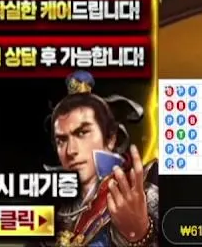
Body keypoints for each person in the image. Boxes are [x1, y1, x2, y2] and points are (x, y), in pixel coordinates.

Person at [49, 72, 158, 247]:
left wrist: (140, 234)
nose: (70, 151)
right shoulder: (56, 209)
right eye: (61, 140)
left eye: (82, 133)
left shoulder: (144, 188)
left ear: (110, 139)